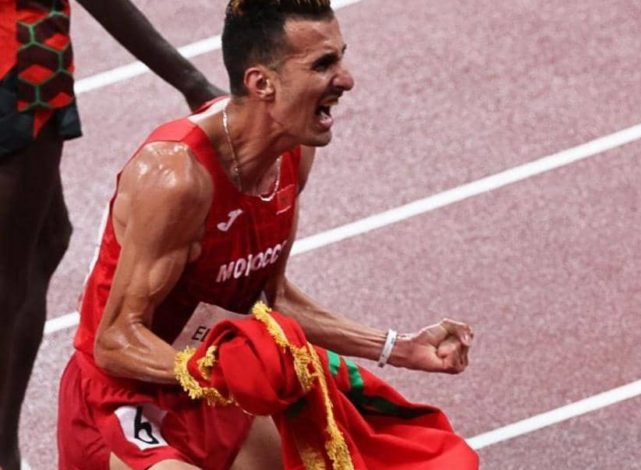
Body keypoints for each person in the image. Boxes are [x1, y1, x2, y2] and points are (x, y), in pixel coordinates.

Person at [56, 0, 475, 469]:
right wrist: (206, 368)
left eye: (340, 58)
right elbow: (114, 341)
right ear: (262, 84)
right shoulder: (177, 178)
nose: (346, 79)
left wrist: (399, 348)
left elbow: (270, 298)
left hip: (219, 386)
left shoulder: (292, 151)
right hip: (127, 399)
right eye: (323, 65)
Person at [0, 1, 222, 469]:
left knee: (47, 240)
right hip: (20, 63)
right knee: (9, 280)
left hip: (25, 59)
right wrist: (191, 82)